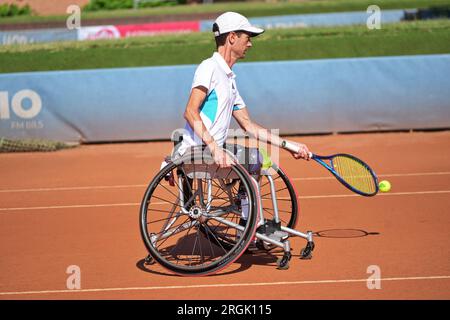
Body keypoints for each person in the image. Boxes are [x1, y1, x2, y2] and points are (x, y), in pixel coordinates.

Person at [176, 11, 310, 171]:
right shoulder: (209, 67)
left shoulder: (229, 79)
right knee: (254, 158)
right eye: (247, 38)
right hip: (198, 151)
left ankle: (243, 196)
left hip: (211, 150)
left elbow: (248, 125)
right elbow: (190, 111)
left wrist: (289, 145)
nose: (250, 44)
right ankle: (244, 197)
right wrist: (214, 148)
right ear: (232, 37)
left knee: (258, 156)